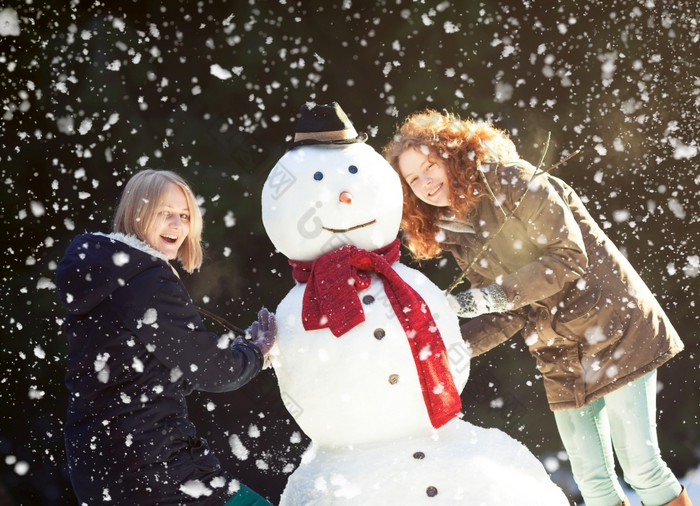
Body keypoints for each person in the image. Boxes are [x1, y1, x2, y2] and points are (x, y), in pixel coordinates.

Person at [383, 110, 691, 506]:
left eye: (430, 165)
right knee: (593, 481)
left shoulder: (513, 181)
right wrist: (441, 348)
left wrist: (484, 297)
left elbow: (568, 259)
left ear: (453, 155)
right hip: (558, 352)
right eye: (413, 178)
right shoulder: (457, 231)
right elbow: (508, 312)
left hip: (613, 328)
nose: (425, 181)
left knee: (641, 468)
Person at [56, 169, 275, 505]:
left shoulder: (108, 272)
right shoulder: (146, 279)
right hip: (154, 464)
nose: (177, 225)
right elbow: (211, 371)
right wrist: (255, 352)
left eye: (184, 216)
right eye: (165, 213)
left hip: (98, 466)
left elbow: (145, 373)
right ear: (137, 213)